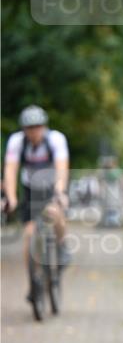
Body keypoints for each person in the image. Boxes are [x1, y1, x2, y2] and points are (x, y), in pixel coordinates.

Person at [3, 105, 70, 295]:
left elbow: (62, 167)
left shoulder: (56, 139)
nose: (34, 131)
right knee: (29, 233)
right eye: (30, 128)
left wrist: (60, 192)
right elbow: (10, 169)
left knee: (54, 212)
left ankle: (62, 246)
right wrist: (12, 198)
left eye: (38, 127)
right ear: (24, 129)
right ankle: (34, 281)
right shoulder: (17, 142)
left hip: (52, 184)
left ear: (44, 126)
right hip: (30, 186)